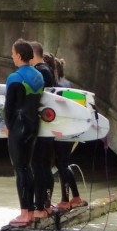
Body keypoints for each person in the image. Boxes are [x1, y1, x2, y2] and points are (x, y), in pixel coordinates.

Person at [4, 38, 45, 227]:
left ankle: (24, 213)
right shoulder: (39, 76)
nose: (12, 57)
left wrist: (8, 127)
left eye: (13, 53)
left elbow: (9, 108)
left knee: (20, 170)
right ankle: (30, 211)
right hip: (33, 126)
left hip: (19, 126)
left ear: (19, 55)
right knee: (27, 168)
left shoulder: (15, 78)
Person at [43, 52, 88, 213]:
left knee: (61, 163)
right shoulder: (64, 83)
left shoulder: (58, 86)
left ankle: (65, 200)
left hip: (63, 130)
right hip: (66, 129)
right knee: (62, 163)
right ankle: (75, 198)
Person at [29, 41, 57, 218]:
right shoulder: (47, 70)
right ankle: (46, 204)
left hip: (41, 125)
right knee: (45, 165)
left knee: (37, 165)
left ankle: (39, 206)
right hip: (48, 125)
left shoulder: (40, 71)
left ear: (32, 53)